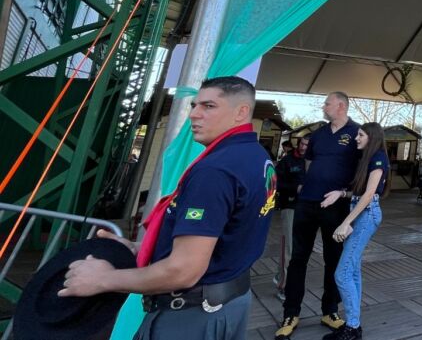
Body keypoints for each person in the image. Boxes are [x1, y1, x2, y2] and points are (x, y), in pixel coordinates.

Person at [58, 77, 274, 340]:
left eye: (208, 106)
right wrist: (144, 247)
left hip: (190, 316)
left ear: (241, 112)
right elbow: (228, 233)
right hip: (230, 302)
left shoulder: (215, 170)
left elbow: (183, 270)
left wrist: (103, 279)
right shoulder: (256, 156)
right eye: (194, 105)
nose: (194, 114)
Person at [278, 92, 360, 337]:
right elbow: (308, 161)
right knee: (298, 259)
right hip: (307, 203)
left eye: (327, 103)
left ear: (341, 106)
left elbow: (363, 167)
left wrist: (346, 193)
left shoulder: (357, 133)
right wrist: (305, 184)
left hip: (336, 207)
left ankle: (329, 310)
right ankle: (291, 313)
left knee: (333, 259)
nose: (324, 107)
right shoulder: (318, 134)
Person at [322, 123, 387, 340]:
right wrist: (341, 194)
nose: (356, 138)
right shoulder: (367, 159)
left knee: (342, 273)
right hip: (360, 213)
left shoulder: (378, 158)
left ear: (372, 137)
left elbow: (369, 195)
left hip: (366, 215)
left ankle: (352, 328)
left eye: (360, 135)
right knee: (353, 271)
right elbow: (359, 193)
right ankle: (353, 325)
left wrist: (346, 222)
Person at [274, 136, 308, 301]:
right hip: (290, 206)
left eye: (307, 145)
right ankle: (284, 286)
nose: (304, 147)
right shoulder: (287, 161)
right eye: (302, 143)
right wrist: (296, 188)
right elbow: (275, 183)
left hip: (309, 209)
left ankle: (280, 274)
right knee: (289, 247)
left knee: (300, 248)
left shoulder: (315, 161)